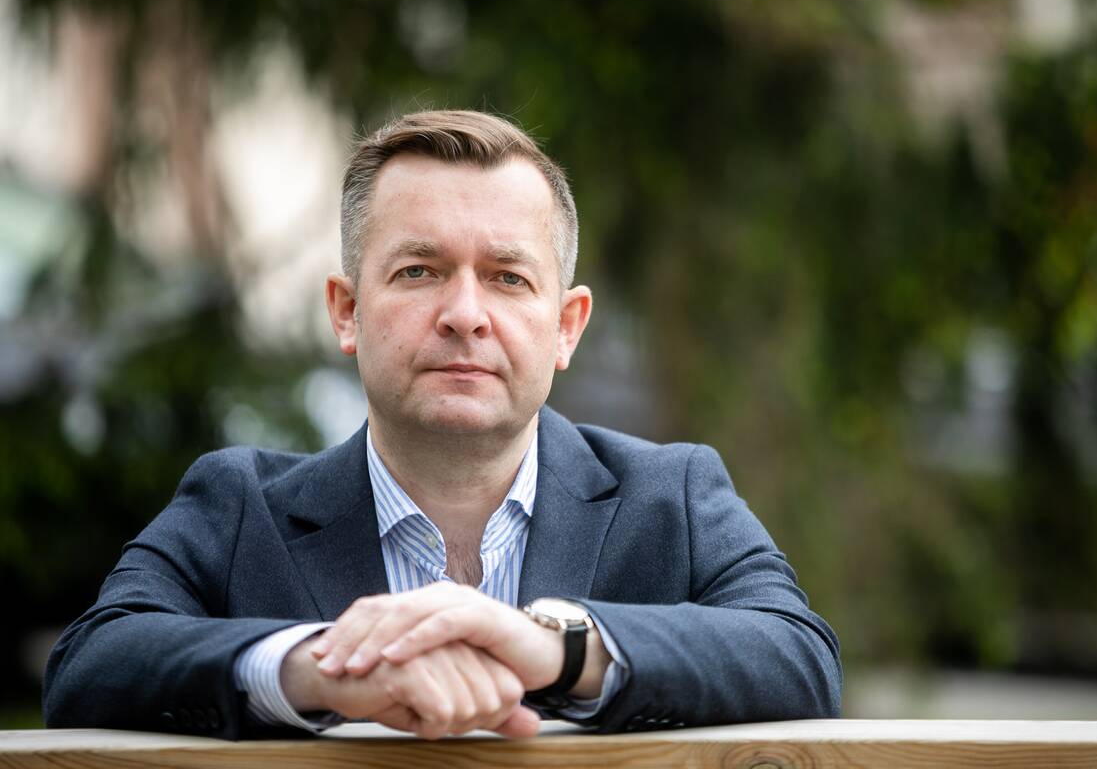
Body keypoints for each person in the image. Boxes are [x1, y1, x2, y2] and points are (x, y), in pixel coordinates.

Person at [42, 110, 841, 740]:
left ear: (566, 326)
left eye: (507, 277)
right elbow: (87, 666)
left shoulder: (671, 498)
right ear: (346, 311)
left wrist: (556, 648)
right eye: (419, 270)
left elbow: (800, 658)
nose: (464, 314)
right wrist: (320, 668)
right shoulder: (237, 505)